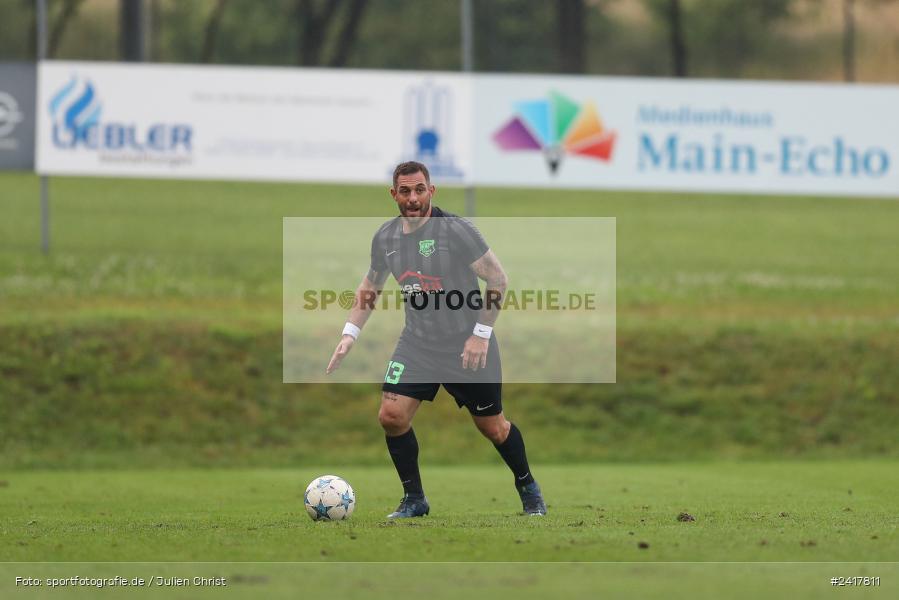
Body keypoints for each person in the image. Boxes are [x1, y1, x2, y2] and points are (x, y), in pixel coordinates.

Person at [326, 161, 546, 518]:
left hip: (467, 344)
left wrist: (480, 334)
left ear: (432, 191)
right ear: (393, 194)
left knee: (494, 427)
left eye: (419, 190)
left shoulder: (456, 231)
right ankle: (414, 499)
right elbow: (371, 284)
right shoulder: (386, 238)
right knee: (391, 415)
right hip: (418, 344)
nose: (413, 198)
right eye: (405, 191)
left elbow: (498, 280)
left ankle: (529, 489)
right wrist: (350, 333)